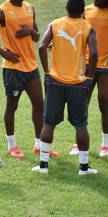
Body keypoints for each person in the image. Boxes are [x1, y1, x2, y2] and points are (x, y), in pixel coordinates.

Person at [0, 0, 59, 159]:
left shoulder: (29, 7)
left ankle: (39, 145)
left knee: (39, 104)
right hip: (13, 68)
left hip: (31, 66)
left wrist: (30, 31)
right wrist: (2, 52)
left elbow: (36, 36)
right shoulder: (2, 11)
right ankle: (12, 146)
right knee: (12, 106)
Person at [32, 0, 98, 175]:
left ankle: (43, 166)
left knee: (49, 124)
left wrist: (46, 71)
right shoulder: (88, 28)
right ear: (83, 9)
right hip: (78, 84)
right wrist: (90, 76)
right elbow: (93, 53)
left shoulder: (55, 24)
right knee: (81, 125)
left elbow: (42, 46)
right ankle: (83, 168)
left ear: (66, 8)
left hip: (55, 81)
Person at [69, 0, 108, 158]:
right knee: (81, 103)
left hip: (106, 66)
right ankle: (78, 144)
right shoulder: (86, 11)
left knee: (105, 102)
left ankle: (105, 144)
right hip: (86, 64)